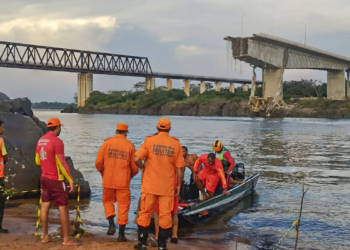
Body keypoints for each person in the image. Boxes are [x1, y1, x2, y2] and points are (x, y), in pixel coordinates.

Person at [134, 117, 184, 250]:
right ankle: (162, 246)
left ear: (157, 127)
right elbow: (179, 168)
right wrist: (178, 185)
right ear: (169, 128)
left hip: (150, 186)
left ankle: (142, 244)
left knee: (144, 213)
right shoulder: (176, 144)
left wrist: (143, 167)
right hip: (167, 187)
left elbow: (136, 159)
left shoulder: (149, 141)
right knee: (165, 216)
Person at [35, 118, 79, 246]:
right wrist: (70, 180)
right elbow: (62, 162)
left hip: (44, 178)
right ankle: (66, 239)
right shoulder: (57, 141)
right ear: (57, 127)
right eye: (60, 127)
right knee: (63, 208)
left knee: (45, 206)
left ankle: (45, 236)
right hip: (56, 179)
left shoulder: (40, 140)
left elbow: (37, 160)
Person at [95, 123, 139, 242]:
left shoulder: (107, 143)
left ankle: (111, 224)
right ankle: (121, 235)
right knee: (123, 206)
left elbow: (98, 162)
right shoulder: (129, 145)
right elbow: (134, 168)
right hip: (123, 182)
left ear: (116, 131)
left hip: (108, 179)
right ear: (126, 133)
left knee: (108, 201)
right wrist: (130, 175)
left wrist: (103, 173)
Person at [153, 174, 179, 245]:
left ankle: (157, 236)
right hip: (171, 182)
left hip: (157, 183)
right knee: (173, 211)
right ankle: (174, 235)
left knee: (156, 212)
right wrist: (179, 185)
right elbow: (180, 170)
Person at [0, 120, 8, 234]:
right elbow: (5, 157)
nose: (3, 129)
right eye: (2, 127)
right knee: (1, 201)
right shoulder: (0, 141)